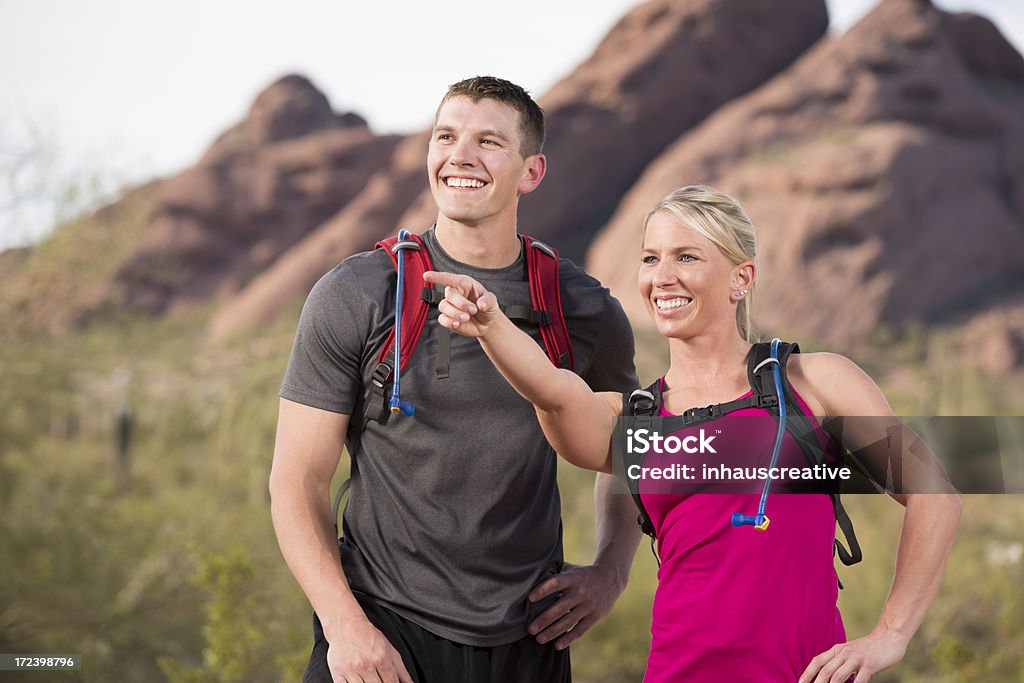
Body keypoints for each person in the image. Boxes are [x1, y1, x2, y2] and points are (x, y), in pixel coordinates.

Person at [427, 184, 962, 682]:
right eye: (651, 258)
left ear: (740, 278)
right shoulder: (636, 418)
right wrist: (493, 326)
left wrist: (890, 636)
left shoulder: (815, 381)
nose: (663, 276)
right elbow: (555, 392)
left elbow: (935, 495)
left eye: (687, 257)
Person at [269, 76, 642, 683]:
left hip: (529, 641)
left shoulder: (583, 308)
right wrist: (344, 628)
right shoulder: (359, 292)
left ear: (531, 172)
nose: (460, 155)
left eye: (489, 141)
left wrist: (611, 571)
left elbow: (631, 452)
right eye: (446, 136)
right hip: (382, 635)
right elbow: (296, 479)